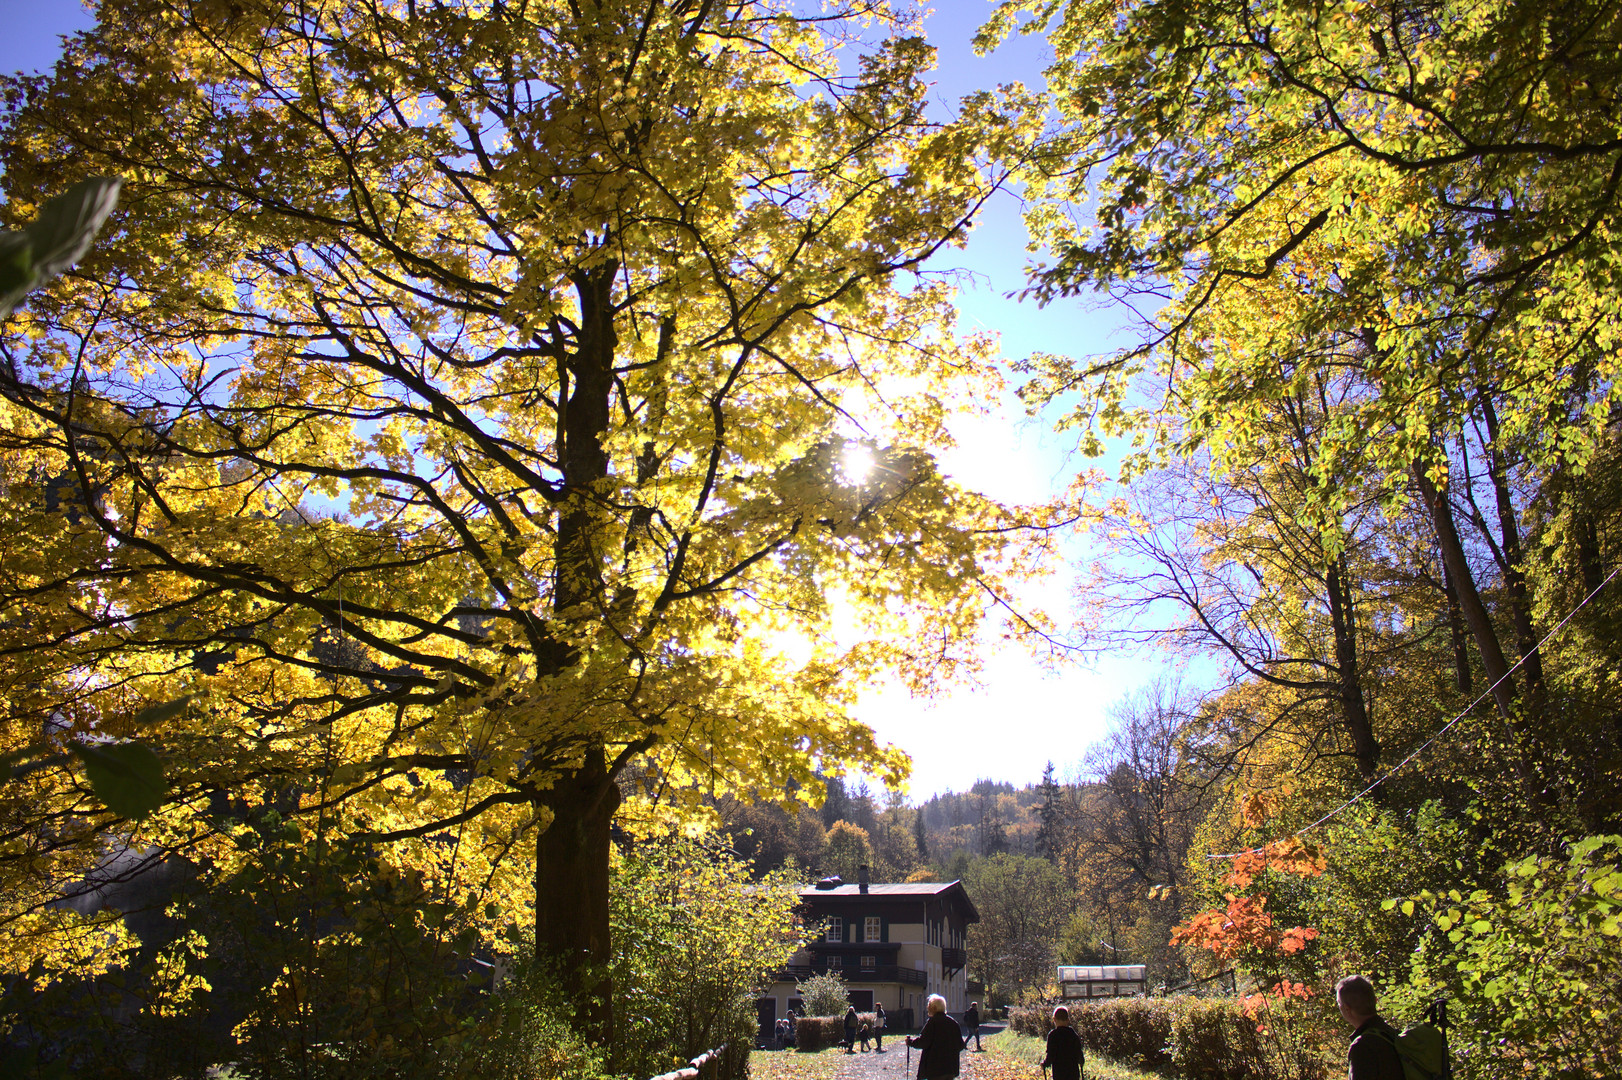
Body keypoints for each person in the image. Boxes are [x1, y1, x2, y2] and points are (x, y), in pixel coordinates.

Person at [1336, 974, 1405, 1080]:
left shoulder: (1362, 1046)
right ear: (1375, 1000)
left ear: (1346, 1008)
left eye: (1339, 1004)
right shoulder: (1394, 1034)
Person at [907, 994, 966, 1080]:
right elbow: (961, 1045)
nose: (927, 1008)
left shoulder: (932, 1023)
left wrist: (911, 1042)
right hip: (950, 1068)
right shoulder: (953, 1023)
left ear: (934, 1008)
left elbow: (924, 1042)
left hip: (935, 1069)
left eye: (929, 1005)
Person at [1041, 1006, 1085, 1080]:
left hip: (1059, 1073)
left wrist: (1045, 1064)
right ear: (1068, 1020)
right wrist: (1081, 1061)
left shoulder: (1053, 1035)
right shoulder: (1073, 1034)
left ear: (1054, 1019)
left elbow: (1051, 1055)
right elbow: (1079, 1053)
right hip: (1073, 1073)